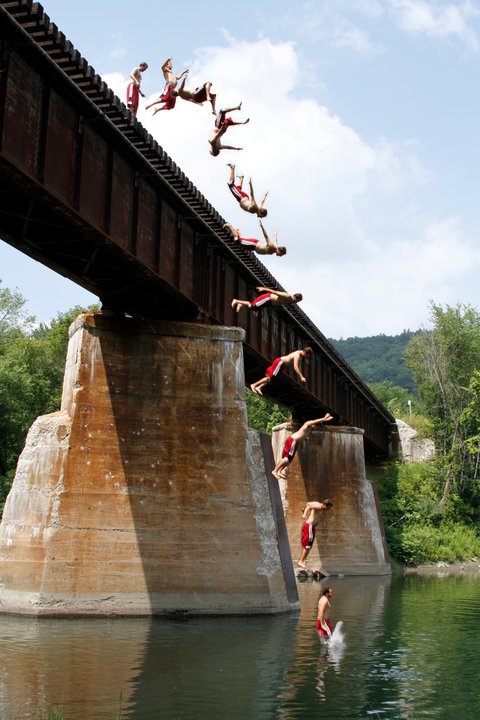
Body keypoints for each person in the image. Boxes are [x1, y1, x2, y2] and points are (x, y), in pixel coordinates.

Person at [272, 414, 334, 480]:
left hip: (295, 443)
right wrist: (324, 418)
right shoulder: (307, 424)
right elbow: (315, 421)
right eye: (316, 426)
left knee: (288, 460)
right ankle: (275, 471)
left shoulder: (309, 429)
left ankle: (279, 471)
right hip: (292, 440)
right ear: (314, 424)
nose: (315, 428)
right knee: (286, 458)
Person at [298, 500, 334, 569]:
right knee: (307, 545)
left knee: (309, 546)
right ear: (324, 505)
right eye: (328, 508)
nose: (328, 510)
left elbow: (308, 503)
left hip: (311, 527)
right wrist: (304, 514)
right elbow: (309, 505)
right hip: (309, 526)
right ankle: (301, 561)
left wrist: (304, 509)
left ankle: (304, 560)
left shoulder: (318, 505)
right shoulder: (318, 506)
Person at [231, 286, 302, 314]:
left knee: (254, 308)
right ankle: (236, 301)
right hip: (268, 298)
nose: (296, 302)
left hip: (269, 303)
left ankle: (241, 304)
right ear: (296, 298)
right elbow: (275, 292)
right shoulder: (288, 296)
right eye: (297, 301)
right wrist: (264, 289)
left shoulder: (290, 301)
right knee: (253, 305)